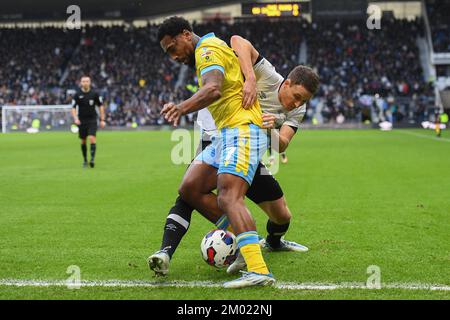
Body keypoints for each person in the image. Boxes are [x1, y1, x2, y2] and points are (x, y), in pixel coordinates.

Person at [149, 35, 319, 277]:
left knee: (282, 216)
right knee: (192, 190)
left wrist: (270, 128)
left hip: (250, 147)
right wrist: (250, 78)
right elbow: (238, 40)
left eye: (303, 100)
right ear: (288, 82)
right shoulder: (269, 76)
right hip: (220, 133)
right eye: (297, 96)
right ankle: (169, 251)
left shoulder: (299, 109)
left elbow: (282, 145)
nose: (297, 103)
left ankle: (272, 242)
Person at [156, 16, 273, 288]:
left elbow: (213, 89)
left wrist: (180, 107)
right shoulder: (206, 51)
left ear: (186, 34)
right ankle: (243, 238)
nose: (173, 57)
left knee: (229, 196)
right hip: (226, 134)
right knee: (190, 187)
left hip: (242, 129)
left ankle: (259, 270)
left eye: (173, 48)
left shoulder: (206, 50)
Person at [71, 76, 105, 168]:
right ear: (81, 83)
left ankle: (92, 159)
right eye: (83, 81)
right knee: (83, 141)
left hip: (92, 119)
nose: (85, 83)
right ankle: (85, 160)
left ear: (90, 83)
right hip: (81, 120)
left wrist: (102, 119)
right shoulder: (77, 94)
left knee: (92, 138)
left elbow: (101, 106)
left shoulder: (95, 94)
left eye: (87, 81)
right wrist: (75, 118)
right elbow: (73, 108)